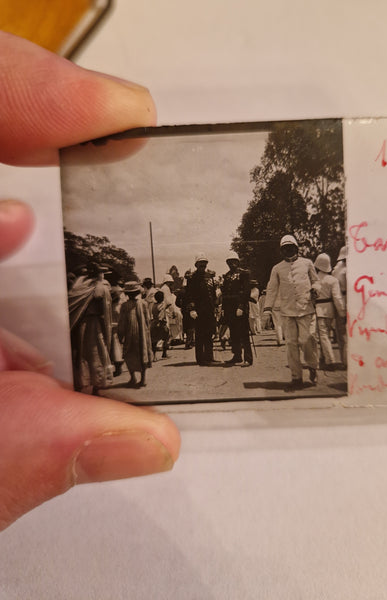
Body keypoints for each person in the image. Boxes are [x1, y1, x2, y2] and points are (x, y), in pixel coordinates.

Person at [0, 31, 180, 532]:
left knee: (110, 356)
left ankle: (125, 380)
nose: (99, 276)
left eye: (99, 273)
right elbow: (110, 306)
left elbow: (119, 306)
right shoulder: (102, 291)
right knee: (100, 358)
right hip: (104, 328)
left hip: (111, 328)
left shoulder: (106, 291)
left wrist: (128, 311)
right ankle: (115, 383)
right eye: (100, 273)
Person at [264, 234, 320, 390]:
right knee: (291, 344)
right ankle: (296, 377)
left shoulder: (307, 263)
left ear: (296, 248)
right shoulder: (277, 268)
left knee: (307, 339)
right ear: (281, 251)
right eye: (285, 249)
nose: (288, 251)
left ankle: (312, 366)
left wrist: (315, 290)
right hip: (287, 312)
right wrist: (267, 308)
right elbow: (272, 288)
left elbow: (315, 281)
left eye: (291, 248)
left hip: (305, 309)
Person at [68, 262, 114, 395]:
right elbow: (100, 298)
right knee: (96, 353)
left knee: (84, 353)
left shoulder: (81, 284)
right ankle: (95, 385)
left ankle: (86, 383)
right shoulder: (97, 286)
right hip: (92, 324)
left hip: (83, 323)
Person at [185, 253, 219, 366]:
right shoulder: (192, 278)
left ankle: (209, 357)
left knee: (209, 334)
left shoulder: (210, 277)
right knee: (200, 335)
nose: (203, 265)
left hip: (209, 309)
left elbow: (212, 292)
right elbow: (189, 295)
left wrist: (215, 304)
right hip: (198, 311)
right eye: (201, 264)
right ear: (196, 265)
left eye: (205, 263)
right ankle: (200, 359)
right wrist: (191, 309)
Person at [313, 253, 346, 369]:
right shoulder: (332, 280)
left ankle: (329, 360)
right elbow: (337, 298)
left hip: (318, 309)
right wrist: (342, 312)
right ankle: (323, 358)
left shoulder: (314, 280)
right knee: (327, 334)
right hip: (330, 309)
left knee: (323, 335)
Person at [221, 251, 253, 367]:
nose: (231, 264)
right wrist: (224, 309)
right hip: (229, 308)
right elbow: (224, 294)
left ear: (238, 262)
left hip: (240, 306)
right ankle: (237, 355)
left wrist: (241, 306)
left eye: (233, 262)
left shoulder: (244, 274)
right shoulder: (227, 276)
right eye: (229, 262)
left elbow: (246, 291)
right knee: (233, 333)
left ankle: (248, 358)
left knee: (244, 333)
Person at [118, 281, 152, 387]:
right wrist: (147, 332)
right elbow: (147, 320)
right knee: (142, 354)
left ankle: (133, 377)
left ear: (127, 294)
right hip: (142, 333)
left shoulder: (124, 306)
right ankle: (143, 379)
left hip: (130, 334)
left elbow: (122, 322)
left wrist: (120, 335)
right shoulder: (143, 303)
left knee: (129, 354)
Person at [151, 290, 171, 360]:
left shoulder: (153, 305)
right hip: (161, 323)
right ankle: (164, 353)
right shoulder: (162, 305)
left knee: (154, 340)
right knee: (166, 337)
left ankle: (154, 356)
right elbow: (161, 315)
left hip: (154, 323)